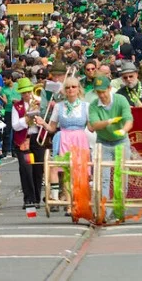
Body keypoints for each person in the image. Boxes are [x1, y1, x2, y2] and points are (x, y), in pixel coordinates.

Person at [35, 76, 89, 211]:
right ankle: (61, 200)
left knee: (77, 172)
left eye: (73, 87)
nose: (70, 89)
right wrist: (43, 123)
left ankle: (76, 201)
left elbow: (91, 126)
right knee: (62, 170)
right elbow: (52, 128)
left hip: (79, 139)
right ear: (64, 91)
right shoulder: (59, 107)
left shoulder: (85, 106)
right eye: (67, 87)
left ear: (78, 89)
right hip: (64, 138)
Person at [88, 75, 134, 204]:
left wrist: (123, 130)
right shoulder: (93, 105)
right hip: (103, 142)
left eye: (103, 91)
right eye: (98, 92)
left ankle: (119, 207)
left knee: (121, 174)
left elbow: (128, 119)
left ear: (109, 88)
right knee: (104, 177)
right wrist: (109, 121)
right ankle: (104, 208)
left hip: (121, 141)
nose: (101, 95)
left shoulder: (121, 100)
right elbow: (94, 125)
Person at [12, 77, 44, 208]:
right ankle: (28, 198)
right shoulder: (16, 106)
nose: (27, 94)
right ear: (20, 93)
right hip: (23, 141)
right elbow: (15, 126)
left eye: (29, 92)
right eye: (24, 93)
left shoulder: (39, 103)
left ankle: (36, 198)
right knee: (26, 170)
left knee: (38, 169)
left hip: (37, 139)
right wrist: (26, 119)